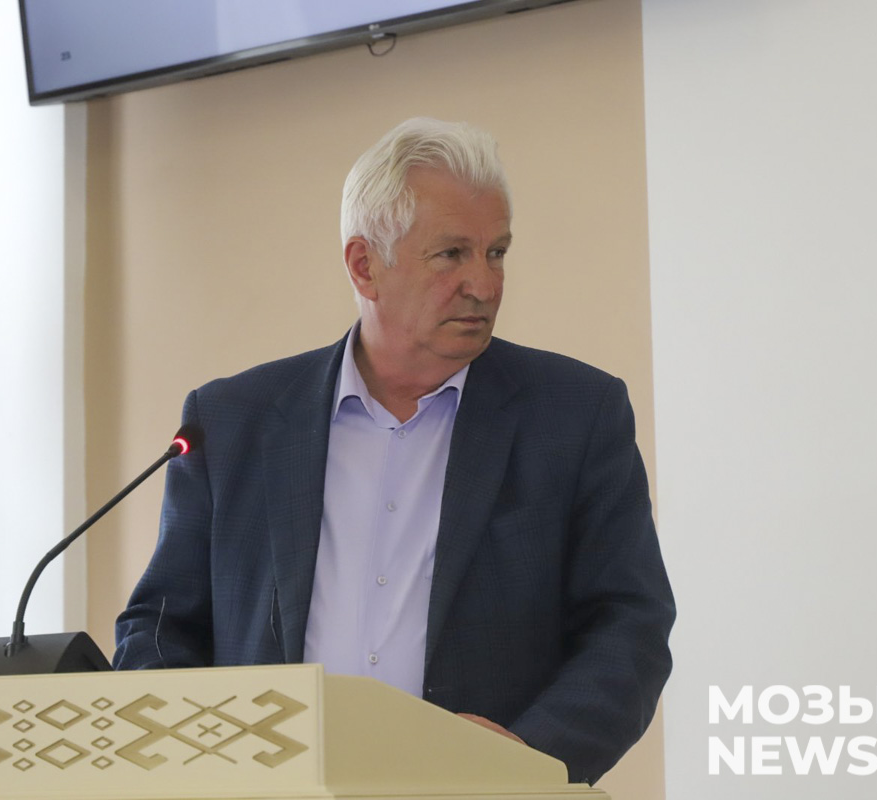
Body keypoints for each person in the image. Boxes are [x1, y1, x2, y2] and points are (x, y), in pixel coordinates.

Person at [113, 117, 675, 784]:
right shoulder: (234, 423)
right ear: (364, 265)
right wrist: (195, 764)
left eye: (496, 253)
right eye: (452, 254)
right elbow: (160, 627)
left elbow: (629, 627)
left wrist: (526, 757)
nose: (485, 284)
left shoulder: (575, 415)